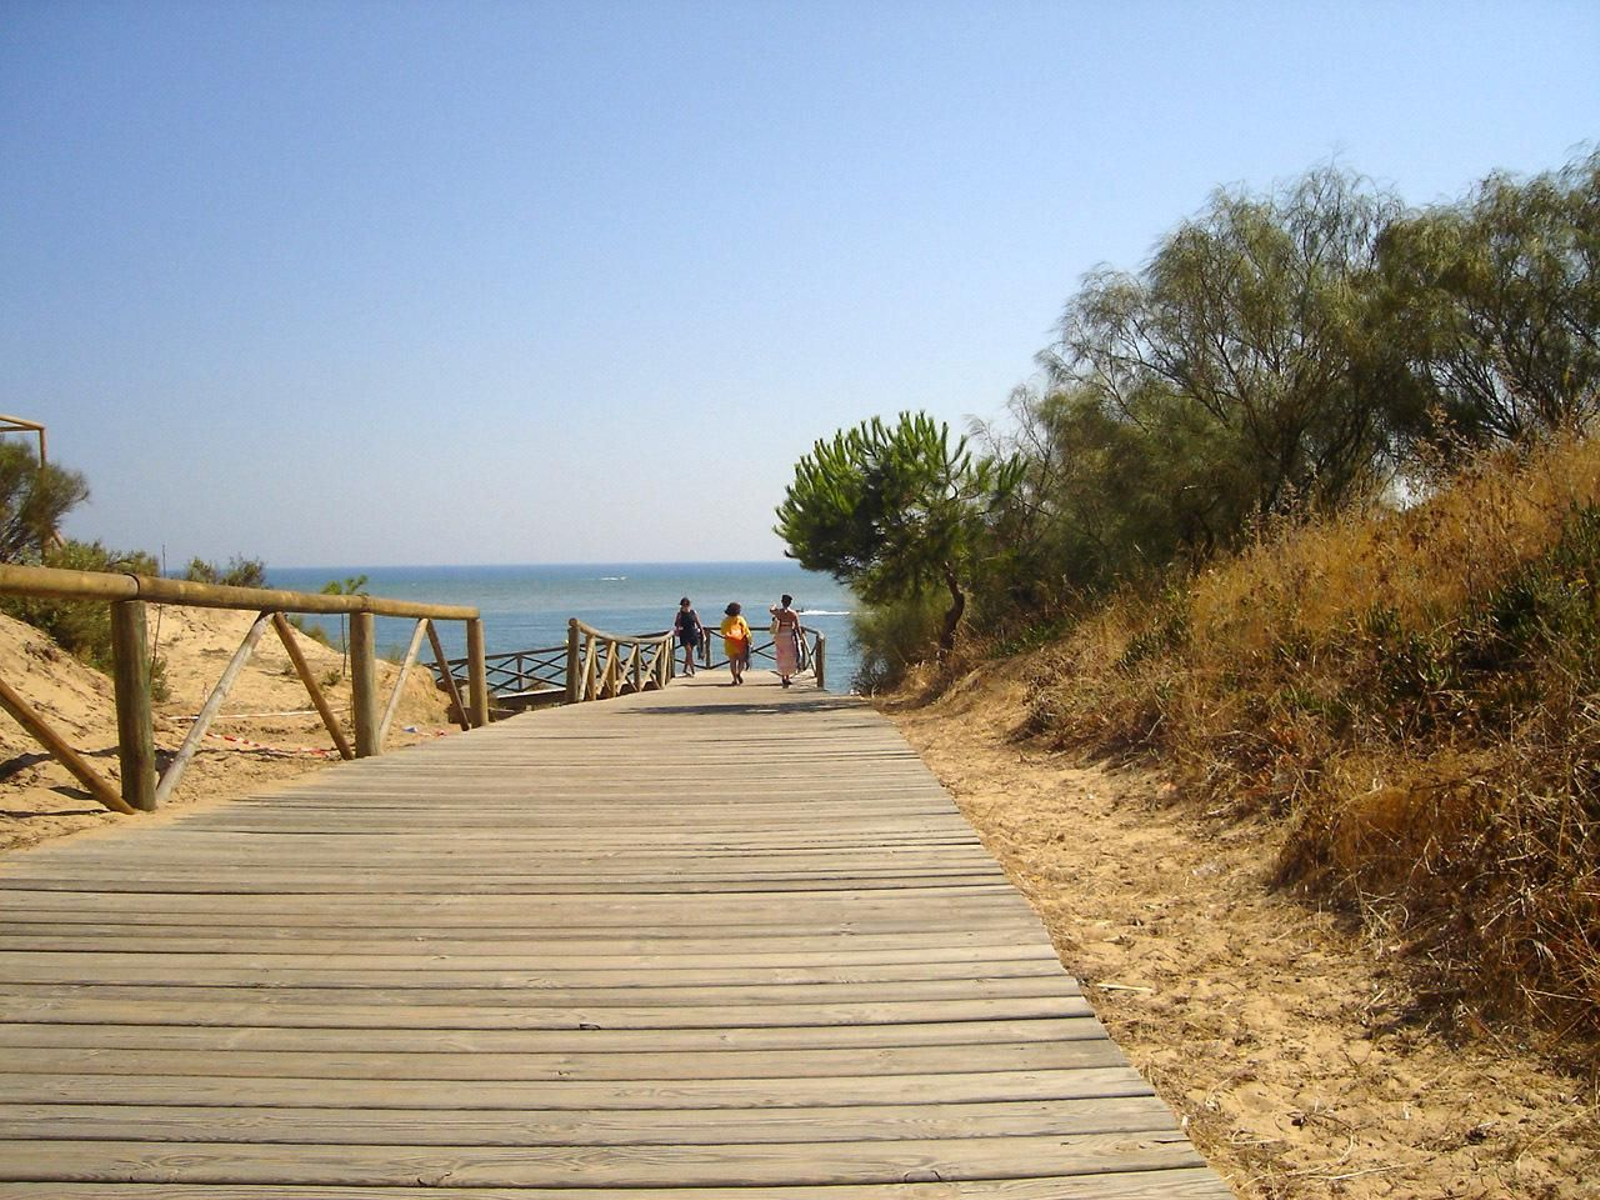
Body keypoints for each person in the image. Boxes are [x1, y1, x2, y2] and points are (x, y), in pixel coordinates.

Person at [769, 593, 801, 687]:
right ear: (790, 603)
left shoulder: (778, 612)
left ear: (782, 602)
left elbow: (771, 610)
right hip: (788, 635)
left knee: (781, 655)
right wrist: (801, 638)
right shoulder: (793, 613)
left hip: (780, 635)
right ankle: (787, 677)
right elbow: (798, 627)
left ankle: (783, 675)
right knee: (789, 656)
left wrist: (774, 605)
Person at [720, 602, 752, 686]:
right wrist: (750, 640)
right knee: (741, 661)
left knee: (732, 661)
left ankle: (734, 679)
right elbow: (746, 631)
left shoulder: (725, 621)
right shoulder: (741, 619)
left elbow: (723, 632)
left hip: (730, 643)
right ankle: (739, 673)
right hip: (741, 642)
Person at [673, 597, 703, 676]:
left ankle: (685, 669)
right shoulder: (679, 614)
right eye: (683, 605)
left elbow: (698, 623)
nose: (685, 607)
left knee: (689, 653)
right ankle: (693, 671)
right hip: (684, 634)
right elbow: (676, 624)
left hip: (693, 633)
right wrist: (678, 622)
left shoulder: (693, 612)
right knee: (689, 652)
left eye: (686, 605)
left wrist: (702, 632)